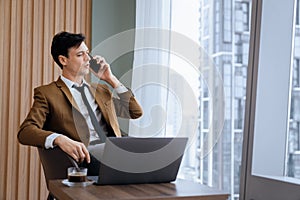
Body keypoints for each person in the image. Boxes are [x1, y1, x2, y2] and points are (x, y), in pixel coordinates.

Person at [17, 31, 143, 175]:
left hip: (114, 151)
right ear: (63, 60)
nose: (87, 59)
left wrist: (111, 79)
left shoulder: (101, 90)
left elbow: (135, 112)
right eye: (80, 55)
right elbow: (25, 132)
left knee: (153, 154)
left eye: (87, 53)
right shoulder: (48, 94)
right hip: (87, 157)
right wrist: (59, 139)